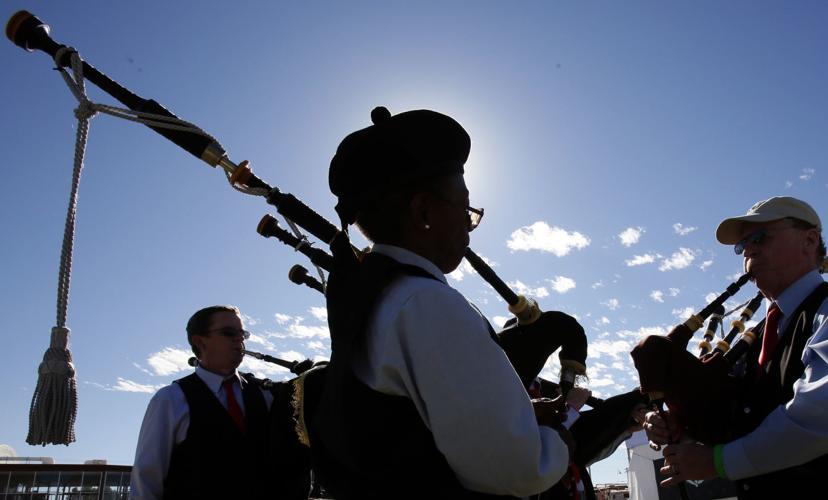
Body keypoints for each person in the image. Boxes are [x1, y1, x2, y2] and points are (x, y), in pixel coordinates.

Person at [310, 107, 571, 499]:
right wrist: (562, 436)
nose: (469, 223)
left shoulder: (371, 297)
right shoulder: (427, 304)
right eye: (464, 207)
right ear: (423, 211)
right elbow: (519, 471)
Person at [645, 196, 828, 498]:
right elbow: (735, 418)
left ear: (809, 240)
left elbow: (818, 416)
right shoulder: (758, 336)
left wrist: (718, 461)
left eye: (760, 237)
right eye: (741, 247)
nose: (749, 251)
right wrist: (679, 424)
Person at [129, 305, 274, 499]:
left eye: (243, 334)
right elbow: (147, 477)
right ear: (200, 341)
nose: (240, 339)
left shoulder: (265, 395)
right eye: (229, 333)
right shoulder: (170, 399)